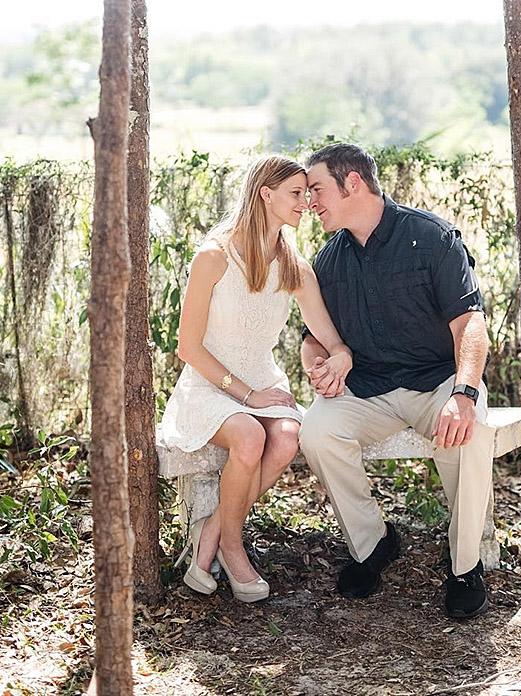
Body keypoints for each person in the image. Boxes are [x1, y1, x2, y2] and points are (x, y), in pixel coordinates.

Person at [299, 143, 495, 619]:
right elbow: (313, 338)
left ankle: (466, 566)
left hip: (437, 383)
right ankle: (373, 544)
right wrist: (318, 364)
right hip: (370, 391)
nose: (309, 202)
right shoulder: (328, 261)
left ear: (353, 183)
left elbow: (470, 325)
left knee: (470, 434)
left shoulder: (430, 238)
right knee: (317, 432)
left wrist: (464, 394)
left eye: (317, 189)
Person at [160, 155, 352, 602]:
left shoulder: (294, 266)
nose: (306, 202)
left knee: (287, 437)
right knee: (249, 436)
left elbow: (330, 337)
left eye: (308, 194)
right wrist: (248, 394)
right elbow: (188, 348)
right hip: (209, 385)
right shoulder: (214, 257)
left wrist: (339, 357)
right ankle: (231, 545)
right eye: (296, 194)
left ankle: (212, 530)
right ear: (265, 194)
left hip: (262, 380)